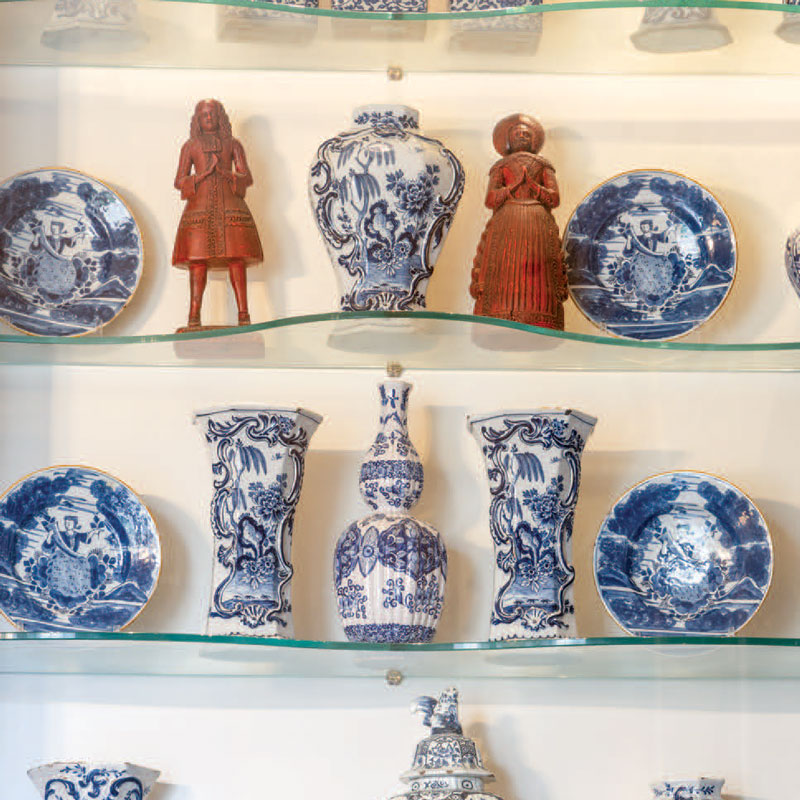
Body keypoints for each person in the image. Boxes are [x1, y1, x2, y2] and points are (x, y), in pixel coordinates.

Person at [470, 113, 567, 330]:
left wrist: (533, 187)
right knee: (503, 269)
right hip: (507, 222)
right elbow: (490, 199)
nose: (522, 137)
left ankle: (542, 319)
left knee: (539, 271)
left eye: (526, 134)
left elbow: (554, 199)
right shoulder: (501, 166)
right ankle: (497, 315)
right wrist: (513, 188)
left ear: (534, 141)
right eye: (517, 134)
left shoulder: (543, 165)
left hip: (537, 222)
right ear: (507, 141)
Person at [172, 99, 263, 330]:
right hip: (199, 209)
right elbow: (179, 180)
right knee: (197, 262)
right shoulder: (190, 146)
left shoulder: (233, 144)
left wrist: (224, 173)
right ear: (197, 120)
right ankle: (194, 317)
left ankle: (244, 316)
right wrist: (202, 176)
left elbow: (246, 176)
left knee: (237, 259)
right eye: (204, 115)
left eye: (212, 114)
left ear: (220, 117)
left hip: (231, 207)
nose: (209, 118)